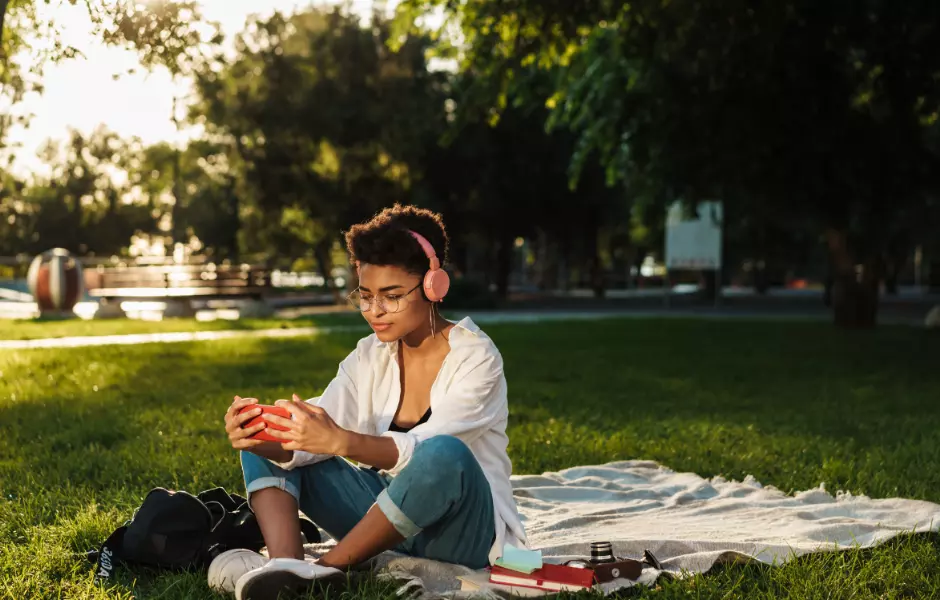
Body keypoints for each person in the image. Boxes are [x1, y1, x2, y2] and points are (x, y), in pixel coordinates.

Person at [221, 205, 527, 600]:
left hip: (461, 535)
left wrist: (341, 442)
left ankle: (326, 571)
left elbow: (428, 458)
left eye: (392, 296)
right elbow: (319, 427)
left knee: (444, 454)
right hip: (382, 526)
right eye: (365, 296)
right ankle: (288, 570)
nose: (374, 311)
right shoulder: (369, 355)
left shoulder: (477, 357)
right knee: (278, 429)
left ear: (434, 287)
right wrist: (255, 432)